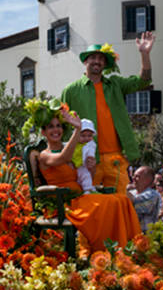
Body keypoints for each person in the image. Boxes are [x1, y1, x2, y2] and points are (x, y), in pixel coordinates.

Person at [61, 32, 156, 193]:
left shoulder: (116, 84)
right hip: (88, 160)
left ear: (105, 64)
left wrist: (144, 54)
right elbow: (63, 125)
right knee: (92, 204)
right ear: (85, 61)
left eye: (101, 59)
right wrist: (67, 159)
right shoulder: (70, 91)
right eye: (93, 57)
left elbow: (144, 81)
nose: (97, 61)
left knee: (121, 202)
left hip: (116, 158)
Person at [37, 109, 141, 253]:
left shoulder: (70, 148)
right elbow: (63, 158)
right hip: (66, 203)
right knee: (110, 203)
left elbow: (83, 176)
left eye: (58, 126)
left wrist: (91, 168)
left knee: (122, 200)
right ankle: (104, 252)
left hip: (81, 197)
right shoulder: (44, 155)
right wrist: (78, 130)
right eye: (51, 127)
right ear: (43, 132)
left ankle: (129, 249)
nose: (56, 130)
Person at [127, 166, 161, 232]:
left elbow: (136, 203)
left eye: (137, 176)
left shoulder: (153, 195)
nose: (133, 178)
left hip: (146, 237)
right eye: (133, 176)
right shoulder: (131, 193)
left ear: (147, 180)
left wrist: (121, 188)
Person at [73, 119, 97, 193]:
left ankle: (88, 189)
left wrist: (90, 157)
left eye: (89, 136)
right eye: (83, 136)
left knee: (86, 175)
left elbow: (91, 153)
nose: (86, 138)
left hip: (82, 165)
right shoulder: (73, 143)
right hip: (73, 166)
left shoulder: (90, 144)